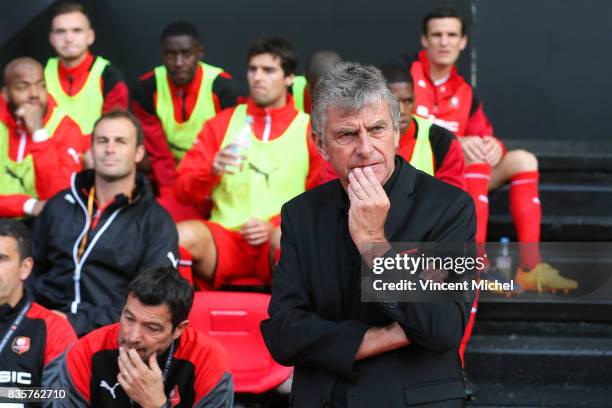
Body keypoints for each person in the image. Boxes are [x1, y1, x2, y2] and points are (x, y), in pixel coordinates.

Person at [261, 62, 475, 407]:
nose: (365, 148)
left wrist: (375, 245)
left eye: (376, 129)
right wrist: (386, 336)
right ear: (320, 143)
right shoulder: (300, 214)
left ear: (396, 132)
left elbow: (442, 328)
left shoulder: (448, 207)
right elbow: (285, 336)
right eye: (346, 134)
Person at [406, 6, 576, 292]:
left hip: (458, 178)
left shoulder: (464, 90)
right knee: (472, 164)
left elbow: (483, 135)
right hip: (418, 176)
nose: (444, 42)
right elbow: (397, 132)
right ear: (424, 40)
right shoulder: (405, 77)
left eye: (451, 35)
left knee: (522, 160)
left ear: (463, 42)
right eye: (436, 35)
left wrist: (494, 146)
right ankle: (476, 266)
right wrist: (457, 142)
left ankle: (530, 268)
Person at [175, 36, 323, 289]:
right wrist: (210, 171)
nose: (257, 77)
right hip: (227, 240)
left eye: (268, 70)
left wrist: (275, 225)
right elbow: (182, 190)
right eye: (253, 69)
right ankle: (175, 322)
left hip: (277, 237)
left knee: (289, 239)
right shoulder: (221, 123)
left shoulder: (310, 128)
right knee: (176, 238)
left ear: (289, 78)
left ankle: (298, 322)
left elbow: (322, 198)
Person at [29, 110, 179, 337]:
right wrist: (33, 315)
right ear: (91, 150)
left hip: (109, 336)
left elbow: (153, 299)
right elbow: (30, 269)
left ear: (138, 153)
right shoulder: (59, 204)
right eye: (102, 141)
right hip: (43, 328)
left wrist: (75, 322)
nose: (110, 149)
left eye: (120, 142)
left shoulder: (156, 221)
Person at [52, 268, 233, 407]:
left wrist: (155, 404)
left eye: (151, 328)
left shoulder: (207, 359)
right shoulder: (87, 351)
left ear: (179, 329)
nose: (132, 336)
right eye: (129, 319)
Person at [132, 21, 242, 201]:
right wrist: (172, 195)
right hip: (167, 173)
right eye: (171, 54)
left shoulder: (223, 87)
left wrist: (207, 182)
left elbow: (232, 145)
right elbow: (158, 153)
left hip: (210, 171)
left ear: (200, 52)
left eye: (186, 54)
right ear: (162, 54)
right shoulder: (147, 88)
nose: (178, 62)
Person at [0, 219, 76, 395]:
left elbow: (61, 397)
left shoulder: (53, 328)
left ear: (25, 268)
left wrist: (6, 394)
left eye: (1, 259)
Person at [1, 57, 83, 219]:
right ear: (6, 94)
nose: (34, 95)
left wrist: (39, 134)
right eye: (23, 87)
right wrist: (28, 205)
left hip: (42, 224)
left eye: (41, 86)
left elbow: (60, 200)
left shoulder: (66, 127)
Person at [45, 1, 129, 136]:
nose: (69, 38)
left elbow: (113, 133)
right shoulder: (39, 74)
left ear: (90, 36)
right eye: (61, 32)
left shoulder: (109, 76)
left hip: (94, 156)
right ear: (52, 38)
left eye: (76, 30)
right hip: (49, 155)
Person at [384, 62, 465, 190]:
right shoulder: (358, 139)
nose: (402, 110)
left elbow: (453, 205)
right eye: (393, 102)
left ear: (415, 99)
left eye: (408, 101)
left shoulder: (443, 142)